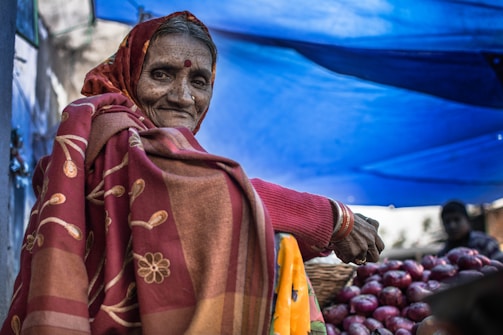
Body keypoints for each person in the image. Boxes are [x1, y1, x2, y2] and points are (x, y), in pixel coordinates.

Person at [0, 11, 384, 335]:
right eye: (162, 75)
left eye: (199, 81)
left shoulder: (145, 145)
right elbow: (207, 192)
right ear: (129, 72)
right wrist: (331, 218)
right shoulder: (115, 131)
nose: (184, 97)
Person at [437, 200, 503, 262]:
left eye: (457, 219)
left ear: (468, 220)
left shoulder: (485, 243)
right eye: (447, 222)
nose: (452, 226)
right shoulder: (443, 254)